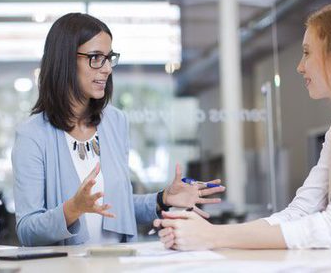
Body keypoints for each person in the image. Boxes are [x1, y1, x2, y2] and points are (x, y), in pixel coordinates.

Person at [153, 2, 331, 257]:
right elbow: (300, 212)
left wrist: (213, 236)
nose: (300, 67)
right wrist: (204, 233)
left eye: (307, 53)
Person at [12, 13, 225, 247]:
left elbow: (118, 206)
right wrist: (72, 209)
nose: (106, 69)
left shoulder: (115, 121)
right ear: (64, 60)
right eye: (95, 58)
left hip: (118, 263)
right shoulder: (32, 135)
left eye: (109, 58)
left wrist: (163, 199)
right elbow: (27, 231)